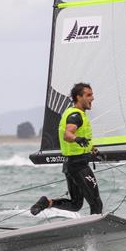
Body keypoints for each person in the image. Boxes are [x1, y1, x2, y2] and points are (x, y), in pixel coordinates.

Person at [30, 82, 103, 216]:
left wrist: (91, 149)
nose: (92, 98)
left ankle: (47, 202)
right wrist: (77, 139)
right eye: (89, 95)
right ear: (78, 97)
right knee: (96, 204)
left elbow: (79, 138)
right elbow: (68, 135)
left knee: (75, 204)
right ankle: (96, 233)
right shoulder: (75, 115)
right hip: (79, 166)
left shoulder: (73, 113)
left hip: (70, 165)